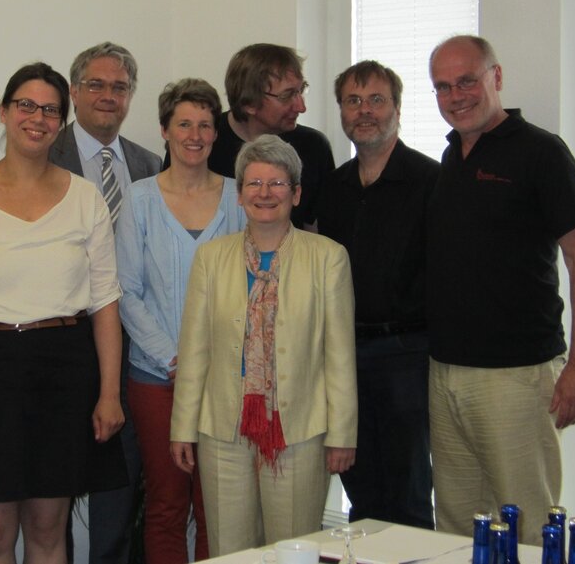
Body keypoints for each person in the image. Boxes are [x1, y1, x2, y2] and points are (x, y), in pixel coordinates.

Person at [0, 62, 127, 564]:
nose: (37, 118)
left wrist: (109, 393)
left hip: (64, 371)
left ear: (62, 121)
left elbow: (105, 303)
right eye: (26, 105)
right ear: (4, 111)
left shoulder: (85, 199)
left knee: (47, 527)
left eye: (50, 110)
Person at [426, 35, 575, 544]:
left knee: (525, 524)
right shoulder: (451, 157)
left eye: (466, 81)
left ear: (496, 77)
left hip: (516, 376)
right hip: (446, 372)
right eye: (442, 87)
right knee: (457, 527)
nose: (455, 96)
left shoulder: (541, 152)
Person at [170, 134, 357, 556]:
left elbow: (339, 356)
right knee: (230, 552)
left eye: (277, 183)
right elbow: (195, 351)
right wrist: (182, 427)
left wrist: (343, 433)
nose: (265, 193)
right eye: (254, 183)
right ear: (239, 195)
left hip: (298, 428)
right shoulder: (211, 259)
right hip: (224, 427)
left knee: (292, 550)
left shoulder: (328, 258)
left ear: (296, 194)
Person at [115, 79, 246, 564]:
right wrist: (175, 359)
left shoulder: (240, 197)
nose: (195, 135)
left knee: (218, 508)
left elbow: (253, 288)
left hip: (226, 379)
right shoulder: (139, 199)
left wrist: (213, 362)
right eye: (184, 124)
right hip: (157, 378)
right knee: (167, 504)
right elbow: (126, 291)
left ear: (216, 134)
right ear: (164, 131)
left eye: (205, 125)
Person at [49, 42, 161, 564]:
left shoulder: (149, 165)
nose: (108, 95)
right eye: (96, 84)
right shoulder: (43, 155)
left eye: (120, 87)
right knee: (55, 494)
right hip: (63, 343)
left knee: (120, 481)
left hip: (132, 348)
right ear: (74, 92)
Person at [317, 60, 437, 529]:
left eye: (376, 100)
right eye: (353, 101)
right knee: (361, 490)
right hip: (344, 355)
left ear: (397, 109)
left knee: (408, 493)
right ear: (342, 112)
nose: (364, 111)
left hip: (408, 355)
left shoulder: (430, 181)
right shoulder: (334, 187)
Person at [162, 43, 335, 229]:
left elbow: (318, 230)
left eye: (301, 90)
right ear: (249, 103)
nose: (301, 107)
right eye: (287, 96)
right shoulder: (199, 143)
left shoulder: (313, 146)